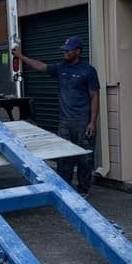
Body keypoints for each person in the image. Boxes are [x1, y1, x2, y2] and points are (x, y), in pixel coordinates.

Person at [13, 36, 100, 195]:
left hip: (83, 122)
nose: (65, 53)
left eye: (68, 50)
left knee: (85, 158)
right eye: (64, 50)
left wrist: (92, 122)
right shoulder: (60, 68)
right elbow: (40, 66)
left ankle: (83, 190)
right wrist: (21, 56)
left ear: (78, 51)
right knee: (64, 157)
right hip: (65, 123)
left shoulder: (88, 70)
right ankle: (64, 190)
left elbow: (95, 96)